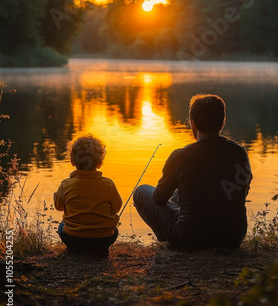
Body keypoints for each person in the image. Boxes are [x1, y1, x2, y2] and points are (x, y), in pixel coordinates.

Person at [133, 94, 252, 250]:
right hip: (233, 236)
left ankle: (169, 238)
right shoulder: (239, 152)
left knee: (141, 192)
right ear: (222, 122)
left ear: (193, 124)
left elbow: (159, 198)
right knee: (179, 194)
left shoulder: (180, 156)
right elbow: (243, 190)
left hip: (190, 238)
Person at [54, 133, 122, 255]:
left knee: (61, 226)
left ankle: (75, 249)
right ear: (99, 164)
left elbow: (59, 207)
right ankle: (100, 250)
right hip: (104, 239)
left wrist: (58, 194)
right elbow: (116, 208)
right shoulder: (108, 184)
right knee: (114, 230)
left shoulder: (65, 185)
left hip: (73, 238)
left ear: (73, 161)